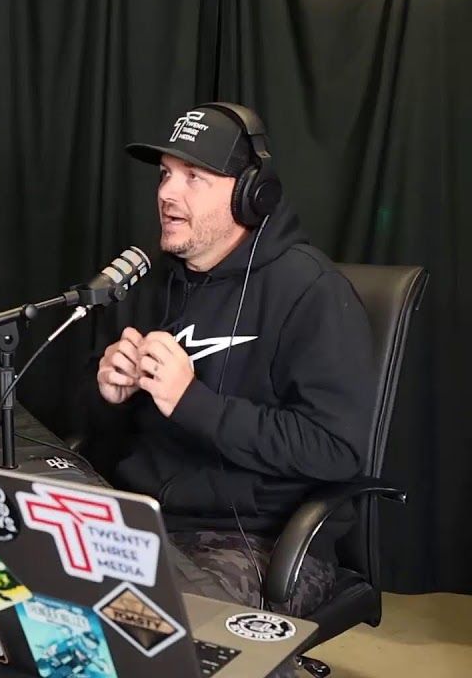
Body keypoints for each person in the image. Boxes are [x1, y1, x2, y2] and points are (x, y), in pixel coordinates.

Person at [85, 102, 375, 620]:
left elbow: (336, 450)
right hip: (141, 520)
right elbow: (103, 440)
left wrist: (191, 402)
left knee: (144, 623)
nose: (167, 193)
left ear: (251, 194)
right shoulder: (151, 284)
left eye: (193, 177)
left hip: (257, 540)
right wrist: (110, 395)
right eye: (165, 175)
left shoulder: (311, 291)